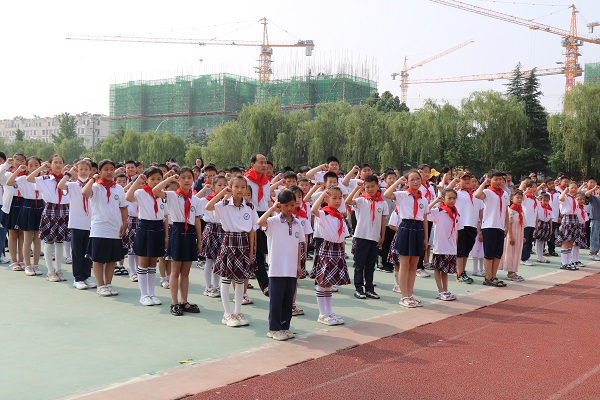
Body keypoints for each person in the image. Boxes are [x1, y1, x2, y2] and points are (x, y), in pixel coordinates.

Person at [206, 175, 258, 327]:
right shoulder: (224, 204)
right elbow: (208, 207)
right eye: (236, 187)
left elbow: (252, 229)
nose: (240, 190)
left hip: (244, 241)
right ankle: (227, 313)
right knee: (226, 278)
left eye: (243, 187)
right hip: (229, 240)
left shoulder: (250, 207)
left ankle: (237, 311)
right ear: (231, 187)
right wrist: (223, 193)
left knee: (240, 278)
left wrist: (251, 249)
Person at [153, 168, 202, 316]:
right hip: (177, 231)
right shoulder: (173, 196)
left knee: (186, 272)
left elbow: (198, 220)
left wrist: (199, 241)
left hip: (190, 233)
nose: (186, 180)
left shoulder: (196, 199)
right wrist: (169, 178)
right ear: (179, 180)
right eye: (183, 177)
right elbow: (155, 190)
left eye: (189, 177)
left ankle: (184, 301)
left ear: (193, 180)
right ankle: (174, 302)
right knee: (175, 271)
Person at [257, 190, 303, 341]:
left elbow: (298, 245)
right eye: (286, 205)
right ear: (280, 205)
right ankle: (273, 328)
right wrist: (272, 209)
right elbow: (260, 222)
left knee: (287, 300)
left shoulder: (297, 224)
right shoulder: (274, 222)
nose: (290, 208)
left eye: (292, 204)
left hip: (291, 268)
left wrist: (298, 265)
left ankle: (285, 326)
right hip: (277, 268)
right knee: (276, 300)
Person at [82, 159, 129, 296]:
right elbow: (84, 193)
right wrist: (93, 179)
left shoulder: (118, 188)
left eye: (111, 169)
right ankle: (100, 285)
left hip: (114, 228)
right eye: (106, 169)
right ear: (99, 171)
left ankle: (108, 283)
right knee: (98, 259)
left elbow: (123, 208)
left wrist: (124, 224)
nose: (109, 172)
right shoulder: (95, 187)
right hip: (99, 227)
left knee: (112, 259)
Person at [384, 170, 429, 308]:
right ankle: (404, 296)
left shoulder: (424, 199)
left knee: (414, 265)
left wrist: (426, 237)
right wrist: (398, 182)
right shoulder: (402, 195)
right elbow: (386, 194)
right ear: (407, 181)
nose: (415, 182)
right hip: (405, 227)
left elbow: (425, 219)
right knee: (404, 264)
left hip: (418, 229)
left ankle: (410, 295)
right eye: (412, 179)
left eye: (418, 179)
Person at [126, 167, 167, 306]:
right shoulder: (141, 192)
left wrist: (166, 235)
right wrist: (137, 181)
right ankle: (143, 295)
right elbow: (128, 197)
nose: (156, 182)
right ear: (147, 180)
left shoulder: (163, 195)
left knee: (152, 262)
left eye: (159, 179)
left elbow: (165, 216)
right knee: (143, 262)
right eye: (152, 179)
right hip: (145, 226)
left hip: (158, 227)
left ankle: (152, 293)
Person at [310, 186, 350, 325]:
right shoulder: (324, 214)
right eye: (334, 198)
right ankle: (322, 314)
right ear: (327, 200)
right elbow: (313, 209)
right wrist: (322, 195)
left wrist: (343, 252)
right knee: (322, 282)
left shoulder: (340, 216)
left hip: (337, 250)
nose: (338, 201)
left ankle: (329, 312)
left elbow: (343, 237)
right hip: (327, 248)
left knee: (329, 284)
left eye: (340, 198)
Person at [28, 155, 70, 282]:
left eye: (60, 162)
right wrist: (41, 167)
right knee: (48, 241)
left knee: (60, 242)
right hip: (50, 209)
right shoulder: (45, 178)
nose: (58, 165)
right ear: (50, 164)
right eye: (55, 162)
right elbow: (29, 178)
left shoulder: (67, 179)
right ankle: (50, 271)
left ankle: (58, 270)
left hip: (64, 209)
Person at [345, 175, 388, 300]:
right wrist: (357, 189)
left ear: (377, 186)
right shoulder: (360, 200)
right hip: (361, 236)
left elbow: (383, 221)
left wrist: (382, 236)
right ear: (364, 187)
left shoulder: (383, 203)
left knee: (370, 265)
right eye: (367, 186)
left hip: (374, 237)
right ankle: (358, 288)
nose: (370, 189)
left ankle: (369, 288)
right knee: (359, 264)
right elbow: (347, 201)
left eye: (372, 186)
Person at [58, 160, 96, 289]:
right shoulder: (73, 185)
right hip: (77, 223)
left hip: (91, 223)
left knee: (88, 252)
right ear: (77, 171)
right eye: (81, 169)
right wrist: (68, 174)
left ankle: (86, 276)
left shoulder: (93, 185)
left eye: (86, 169)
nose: (84, 171)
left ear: (90, 171)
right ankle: (77, 278)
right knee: (77, 252)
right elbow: (60, 185)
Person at [7, 157, 44, 276]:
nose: (34, 167)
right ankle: (27, 265)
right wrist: (18, 170)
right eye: (31, 165)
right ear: (27, 167)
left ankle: (36, 265)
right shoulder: (23, 179)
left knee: (37, 239)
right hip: (28, 205)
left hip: (41, 207)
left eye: (36, 165)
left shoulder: (43, 179)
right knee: (27, 238)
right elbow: (9, 182)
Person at [474, 170, 509, 287]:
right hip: (489, 226)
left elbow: (506, 211)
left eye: (501, 179)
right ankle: (488, 277)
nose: (499, 182)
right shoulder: (487, 192)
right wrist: (484, 183)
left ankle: (494, 276)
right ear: (490, 180)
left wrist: (507, 225)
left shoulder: (504, 193)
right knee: (489, 254)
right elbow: (477, 195)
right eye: (496, 179)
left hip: (500, 227)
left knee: (497, 254)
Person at [448, 171, 483, 284]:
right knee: (460, 251)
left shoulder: (476, 195)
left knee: (466, 251)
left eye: (469, 178)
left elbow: (481, 212)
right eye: (464, 178)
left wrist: (481, 227)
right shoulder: (457, 194)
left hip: (472, 225)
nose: (467, 180)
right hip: (461, 225)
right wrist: (454, 181)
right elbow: (445, 192)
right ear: (460, 180)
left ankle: (463, 271)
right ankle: (459, 273)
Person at [428, 188, 462, 301]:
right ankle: (440, 291)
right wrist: (435, 201)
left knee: (445, 271)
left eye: (454, 198)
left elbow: (457, 231)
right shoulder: (438, 212)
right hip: (440, 246)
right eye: (449, 198)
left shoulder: (456, 214)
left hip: (451, 247)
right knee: (438, 269)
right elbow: (424, 211)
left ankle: (445, 290)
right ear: (443, 199)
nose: (452, 201)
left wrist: (455, 247)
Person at [196, 175, 227, 298]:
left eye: (225, 185)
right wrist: (204, 190)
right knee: (209, 260)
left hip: (223, 230)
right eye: (219, 185)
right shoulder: (207, 199)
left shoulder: (227, 201)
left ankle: (216, 286)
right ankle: (208, 287)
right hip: (211, 229)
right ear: (213, 187)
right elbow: (194, 198)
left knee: (219, 261)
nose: (222, 187)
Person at [244, 154, 271, 296]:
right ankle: (265, 285)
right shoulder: (246, 179)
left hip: (264, 215)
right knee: (257, 251)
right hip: (250, 215)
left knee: (263, 250)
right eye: (260, 162)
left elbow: (266, 201)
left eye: (265, 162)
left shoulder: (266, 181)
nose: (264, 165)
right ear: (252, 164)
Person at [0, 154, 27, 271]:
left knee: (22, 234)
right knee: (12, 234)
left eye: (22, 160)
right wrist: (7, 164)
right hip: (11, 205)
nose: (19, 162)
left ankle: (21, 260)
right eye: (17, 160)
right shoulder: (7, 175)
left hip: (24, 204)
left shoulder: (27, 176)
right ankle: (14, 261)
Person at [289, 185, 312, 316]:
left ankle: (292, 304)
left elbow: (306, 236)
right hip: (285, 250)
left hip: (299, 250)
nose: (297, 200)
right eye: (294, 196)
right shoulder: (281, 216)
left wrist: (304, 252)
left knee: (294, 279)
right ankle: (284, 304)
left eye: (299, 197)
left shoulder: (303, 217)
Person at [500, 190, 526, 282]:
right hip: (512, 234)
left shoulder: (521, 210)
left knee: (517, 252)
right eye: (517, 197)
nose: (519, 199)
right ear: (511, 199)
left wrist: (522, 236)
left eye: (521, 198)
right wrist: (510, 236)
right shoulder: (510, 210)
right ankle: (510, 272)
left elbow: (522, 224)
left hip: (519, 234)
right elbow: (509, 224)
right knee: (511, 252)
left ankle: (513, 271)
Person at [416, 164, 435, 278]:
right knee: (420, 241)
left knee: (426, 242)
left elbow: (433, 200)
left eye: (429, 172)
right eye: (425, 171)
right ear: (420, 172)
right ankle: (418, 267)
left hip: (429, 217)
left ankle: (422, 264)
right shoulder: (418, 186)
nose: (427, 174)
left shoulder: (431, 187)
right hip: (420, 216)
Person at [556, 181, 580, 270]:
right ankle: (564, 263)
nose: (574, 189)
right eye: (572, 188)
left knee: (571, 242)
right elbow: (560, 198)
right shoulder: (566, 197)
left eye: (575, 188)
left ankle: (568, 262)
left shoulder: (574, 198)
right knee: (566, 241)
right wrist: (565, 190)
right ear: (568, 188)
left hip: (574, 219)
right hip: (567, 219)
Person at [520, 180, 538, 266]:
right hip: (526, 222)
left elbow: (536, 211)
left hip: (532, 222)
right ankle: (523, 258)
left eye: (535, 187)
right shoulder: (526, 197)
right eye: (532, 187)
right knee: (525, 240)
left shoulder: (535, 198)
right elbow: (521, 198)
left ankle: (527, 257)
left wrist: (536, 223)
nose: (534, 189)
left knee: (530, 240)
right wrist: (526, 191)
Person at [534, 193, 553, 264]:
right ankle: (538, 256)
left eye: (547, 200)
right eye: (544, 200)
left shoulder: (549, 208)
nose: (545, 202)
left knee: (543, 241)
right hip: (539, 223)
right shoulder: (539, 206)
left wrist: (551, 228)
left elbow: (550, 218)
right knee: (538, 240)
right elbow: (536, 215)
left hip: (546, 224)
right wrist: (536, 224)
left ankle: (541, 255)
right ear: (541, 200)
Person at [584, 182, 600, 261]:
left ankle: (596, 252)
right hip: (595, 219)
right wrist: (594, 188)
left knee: (598, 237)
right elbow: (586, 194)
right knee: (594, 236)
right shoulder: (594, 197)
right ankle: (592, 253)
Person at [572, 193, 588, 268]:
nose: (581, 200)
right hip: (576, 226)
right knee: (574, 244)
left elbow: (583, 217)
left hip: (581, 226)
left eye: (583, 199)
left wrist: (584, 223)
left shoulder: (582, 207)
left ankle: (576, 260)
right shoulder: (576, 207)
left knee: (577, 245)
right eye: (579, 199)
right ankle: (573, 260)